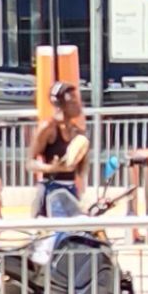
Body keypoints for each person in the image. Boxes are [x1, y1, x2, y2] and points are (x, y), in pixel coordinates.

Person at [32, 71, 93, 217]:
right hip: (52, 190)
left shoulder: (78, 132)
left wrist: (83, 195)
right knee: (59, 230)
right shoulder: (48, 128)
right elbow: (30, 162)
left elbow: (80, 170)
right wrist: (51, 168)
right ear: (61, 104)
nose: (79, 105)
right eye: (73, 101)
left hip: (70, 190)